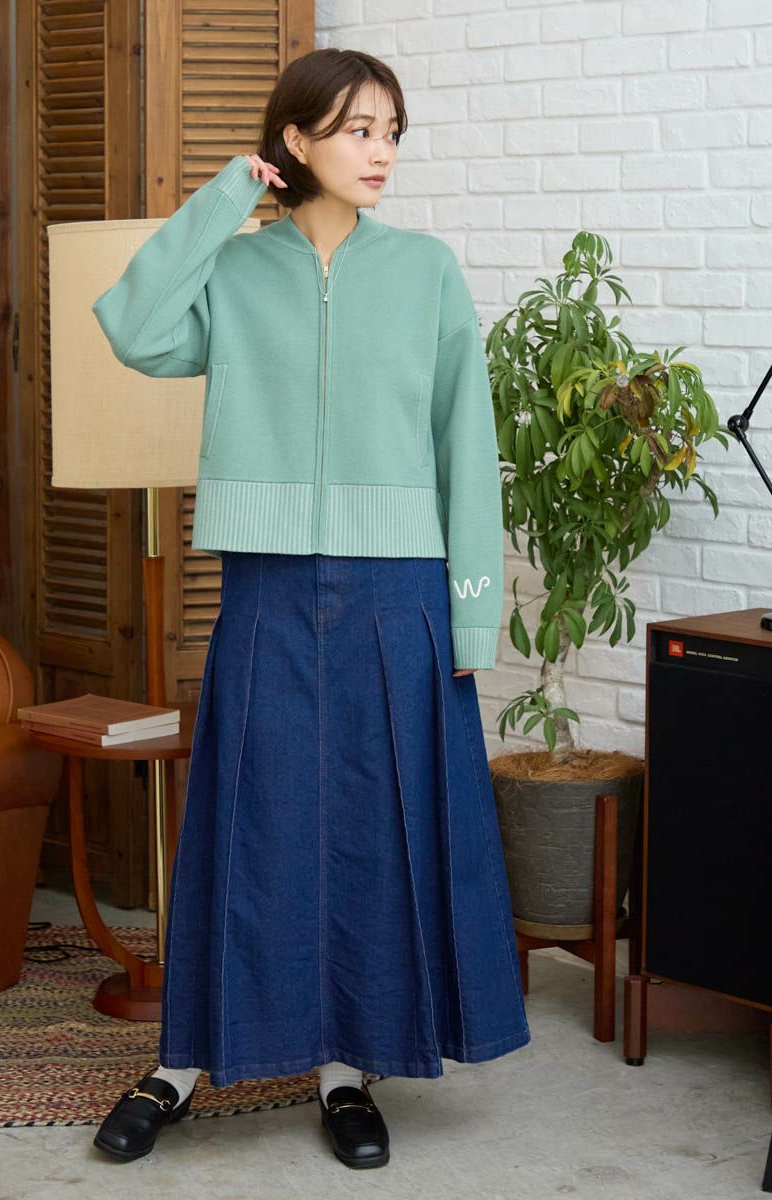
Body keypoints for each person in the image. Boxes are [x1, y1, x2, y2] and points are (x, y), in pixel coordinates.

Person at [88, 47, 531, 1170]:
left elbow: (465, 447)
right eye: (357, 130)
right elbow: (132, 327)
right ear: (296, 140)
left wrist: (470, 617)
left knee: (380, 836)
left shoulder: (426, 272)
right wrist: (222, 200)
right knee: (248, 825)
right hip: (268, 586)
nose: (382, 152)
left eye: (393, 132)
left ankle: (346, 1070)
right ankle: (181, 1062)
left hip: (401, 592)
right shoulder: (237, 270)